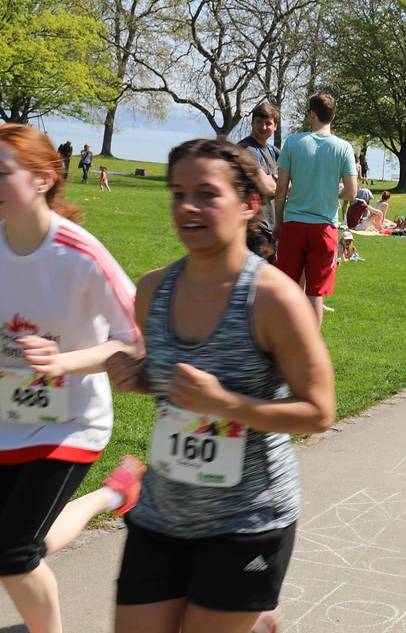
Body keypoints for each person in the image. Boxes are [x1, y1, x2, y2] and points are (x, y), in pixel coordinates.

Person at [105, 138, 337, 633]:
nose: (187, 206)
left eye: (207, 194)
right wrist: (140, 377)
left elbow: (319, 411)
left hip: (247, 519)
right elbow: (174, 385)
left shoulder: (274, 300)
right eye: (177, 193)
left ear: (248, 205)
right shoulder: (152, 290)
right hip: (162, 512)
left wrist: (226, 403)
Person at [0, 124, 144, 633]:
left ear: (42, 179)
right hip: (9, 415)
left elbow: (136, 340)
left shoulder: (79, 252)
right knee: (17, 542)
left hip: (72, 422)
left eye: (2, 173)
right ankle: (115, 493)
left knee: (13, 552)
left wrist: (63, 362)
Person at [272, 93, 358, 329]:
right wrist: (334, 193)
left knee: (289, 289)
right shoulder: (344, 148)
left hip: (294, 225)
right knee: (315, 293)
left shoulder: (292, 142)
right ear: (333, 115)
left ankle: (284, 343)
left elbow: (281, 190)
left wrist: (278, 222)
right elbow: (352, 192)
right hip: (324, 228)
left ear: (311, 114)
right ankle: (310, 350)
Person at [237, 102, 281, 262]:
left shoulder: (274, 152)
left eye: (268, 123)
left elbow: (293, 182)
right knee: (252, 279)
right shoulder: (246, 149)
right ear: (252, 122)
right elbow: (266, 187)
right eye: (259, 122)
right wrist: (278, 181)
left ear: (275, 126)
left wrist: (274, 180)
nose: (263, 127)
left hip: (271, 226)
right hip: (252, 228)